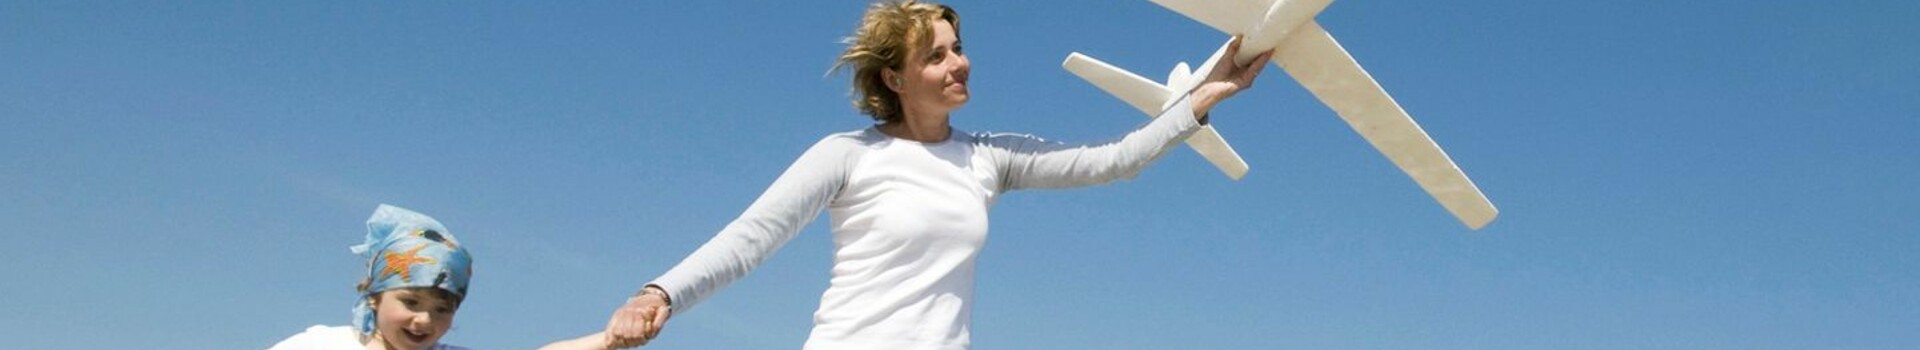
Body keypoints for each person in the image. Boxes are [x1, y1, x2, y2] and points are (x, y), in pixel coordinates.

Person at [605, 1, 1273, 349]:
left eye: (960, 48)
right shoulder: (847, 154)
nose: (960, 64)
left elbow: (1114, 160)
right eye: (937, 56)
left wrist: (1199, 102)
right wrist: (661, 294)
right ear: (895, 78)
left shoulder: (988, 158)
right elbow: (748, 239)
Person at [268, 204, 619, 350]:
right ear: (374, 295)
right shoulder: (323, 345)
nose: (424, 320)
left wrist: (613, 338)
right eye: (410, 301)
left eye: (443, 308)